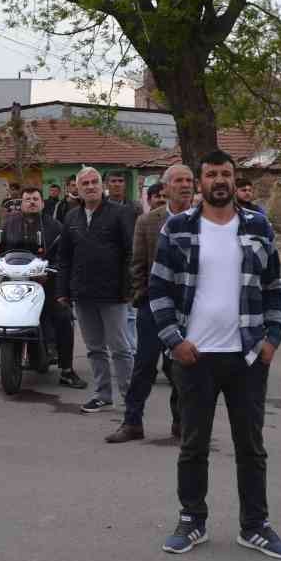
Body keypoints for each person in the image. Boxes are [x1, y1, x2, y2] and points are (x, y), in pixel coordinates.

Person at [152, 150, 281, 560]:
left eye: (225, 174)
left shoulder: (257, 226)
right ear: (199, 181)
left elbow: (274, 287)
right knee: (193, 444)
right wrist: (174, 340)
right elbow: (158, 289)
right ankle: (192, 520)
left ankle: (255, 526)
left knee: (251, 445)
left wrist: (272, 339)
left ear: (234, 180)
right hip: (194, 356)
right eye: (211, 173)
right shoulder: (176, 228)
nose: (219, 180)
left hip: (247, 355)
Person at [0, 185, 85, 389]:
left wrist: (50, 271)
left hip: (46, 283)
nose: (31, 201)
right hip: (13, 281)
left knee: (63, 316)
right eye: (27, 198)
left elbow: (64, 255)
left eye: (35, 198)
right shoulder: (8, 223)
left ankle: (67, 370)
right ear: (21, 202)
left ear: (41, 202)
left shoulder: (55, 226)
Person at [109, 166, 195, 443]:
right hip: (153, 307)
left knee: (182, 368)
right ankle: (132, 423)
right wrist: (142, 298)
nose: (185, 185)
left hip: (192, 309)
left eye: (189, 181)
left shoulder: (204, 221)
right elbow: (137, 264)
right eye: (178, 181)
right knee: (143, 366)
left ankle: (182, 424)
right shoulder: (147, 222)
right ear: (166, 188)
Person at [56, 166, 137, 413]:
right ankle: (103, 394)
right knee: (94, 349)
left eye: (94, 182)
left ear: (102, 186)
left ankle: (130, 397)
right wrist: (63, 290)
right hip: (82, 294)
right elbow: (65, 258)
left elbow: (130, 253)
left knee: (121, 349)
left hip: (114, 294)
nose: (90, 187)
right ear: (77, 189)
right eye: (85, 184)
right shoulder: (71, 218)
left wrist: (128, 289)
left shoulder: (120, 214)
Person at [106, 170, 144, 354]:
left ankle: (132, 350)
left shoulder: (134, 207)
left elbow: (141, 233)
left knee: (130, 313)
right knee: (110, 314)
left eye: (120, 181)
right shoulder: (101, 207)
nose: (117, 184)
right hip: (108, 265)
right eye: (113, 181)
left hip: (130, 263)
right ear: (106, 184)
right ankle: (117, 348)